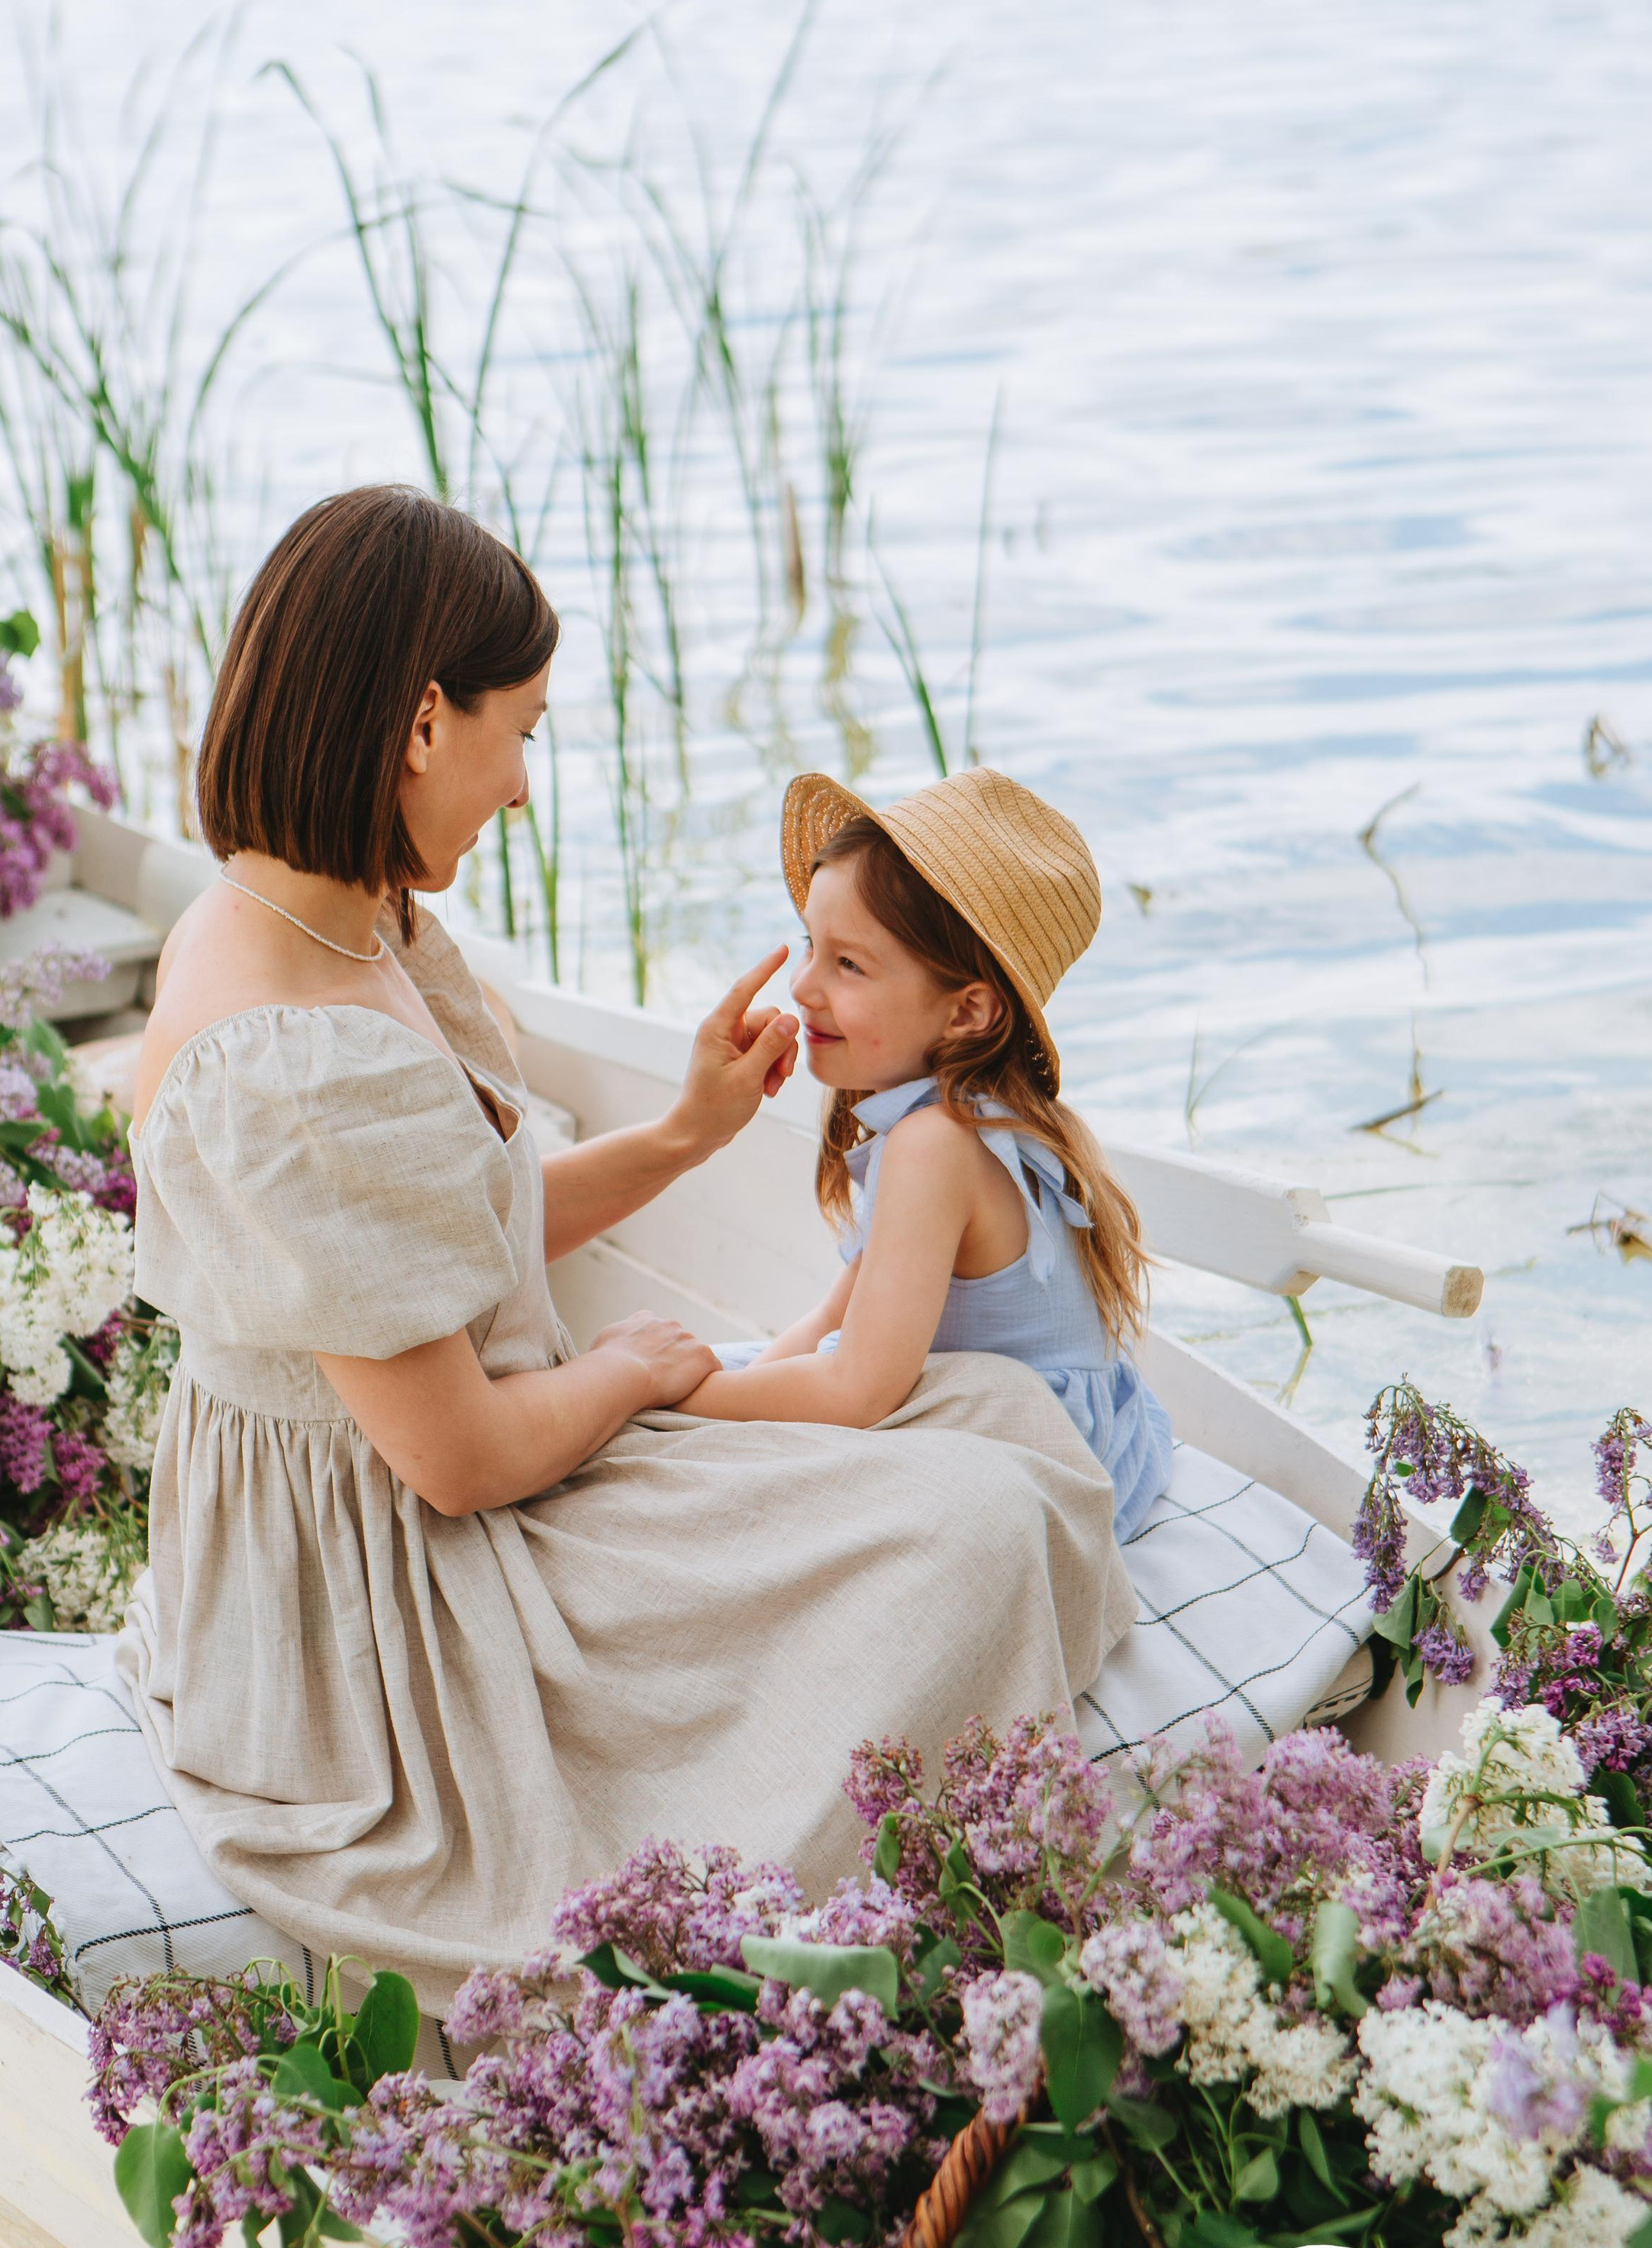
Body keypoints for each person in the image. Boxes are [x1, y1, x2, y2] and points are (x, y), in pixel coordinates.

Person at [118, 485, 1131, 2014]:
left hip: (464, 1452)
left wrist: (682, 1134)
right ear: (417, 724)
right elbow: (456, 1462)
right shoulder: (289, 1046)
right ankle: (800, 1935)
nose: (522, 784)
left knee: (995, 1423)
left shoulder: (333, 915)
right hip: (385, 1591)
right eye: (518, 729)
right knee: (969, 1536)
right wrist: (633, 1371)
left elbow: (439, 1242)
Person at [680, 769, 1174, 1540]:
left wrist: (666, 1400)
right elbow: (828, 1320)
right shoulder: (982, 1115)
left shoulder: (933, 1146)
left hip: (1028, 1452)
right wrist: (708, 1401)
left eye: (849, 965)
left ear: (969, 1011)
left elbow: (856, 1392)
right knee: (721, 1388)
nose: (804, 986)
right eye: (813, 946)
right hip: (1097, 1436)